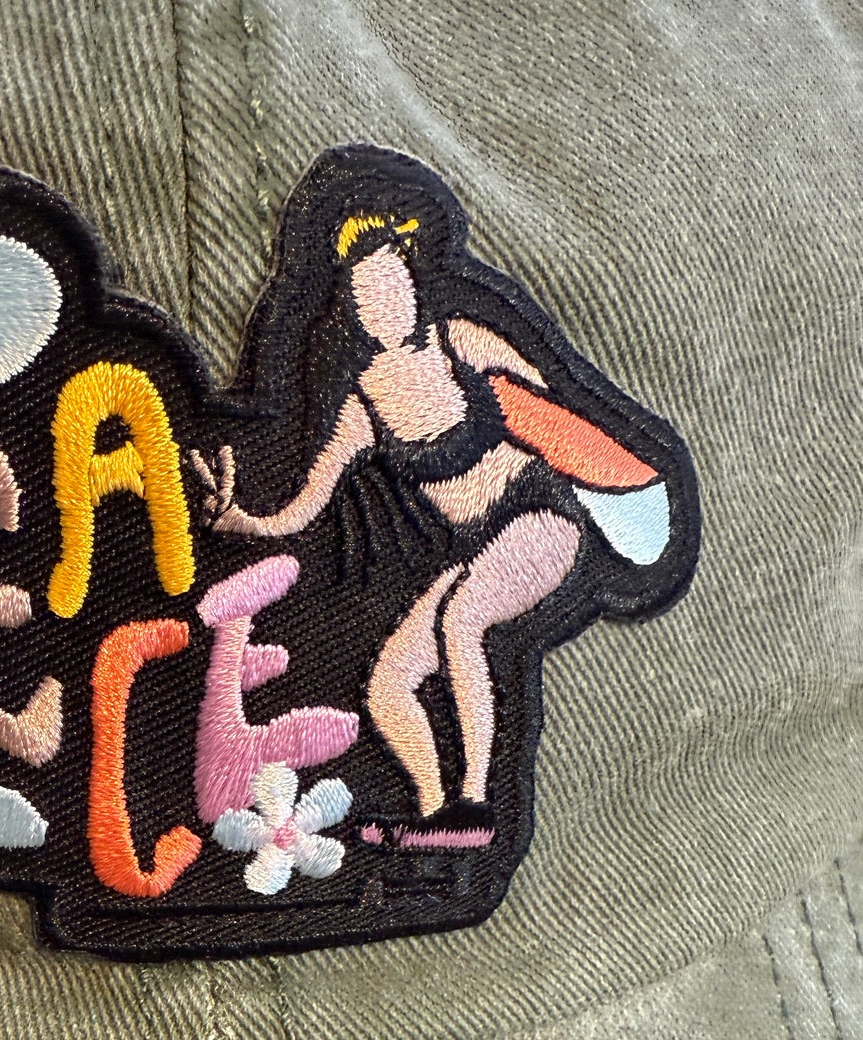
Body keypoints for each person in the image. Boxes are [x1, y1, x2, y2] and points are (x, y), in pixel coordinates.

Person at [192, 211, 664, 847]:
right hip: (479, 551)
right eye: (369, 291)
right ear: (357, 310)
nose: (388, 300)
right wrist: (245, 521)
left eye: (394, 280)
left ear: (413, 284)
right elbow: (309, 502)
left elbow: (552, 408)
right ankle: (438, 812)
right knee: (388, 683)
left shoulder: (460, 341)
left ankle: (475, 799)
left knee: (461, 622)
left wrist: (609, 485)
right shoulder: (363, 405)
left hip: (540, 515)